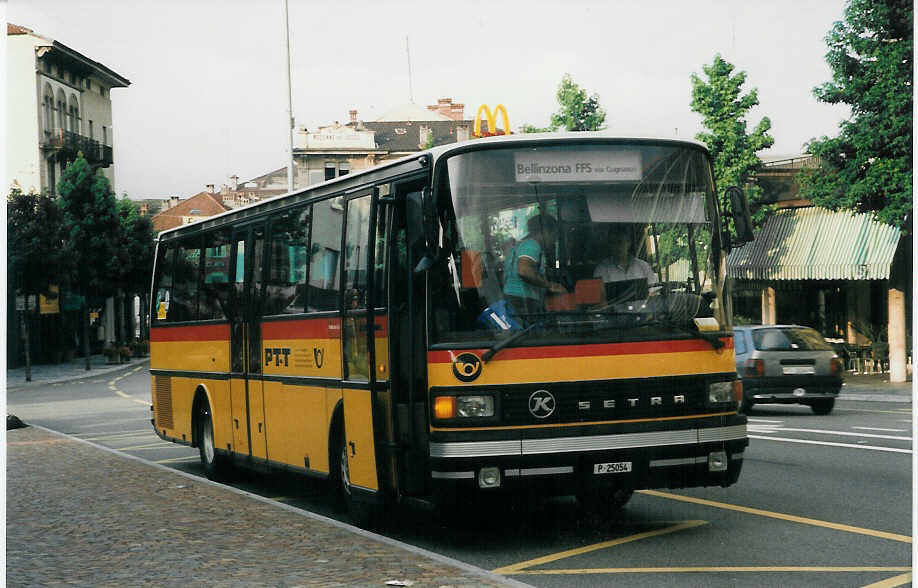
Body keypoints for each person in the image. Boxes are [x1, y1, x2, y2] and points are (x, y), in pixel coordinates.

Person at [502, 212, 567, 315]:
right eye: (554, 235)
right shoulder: (532, 245)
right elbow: (524, 271)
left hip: (513, 297)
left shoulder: (522, 245)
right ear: (545, 231)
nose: (554, 240)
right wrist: (549, 285)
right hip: (523, 300)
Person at [593, 225, 658, 286]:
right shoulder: (601, 270)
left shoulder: (643, 267)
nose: (616, 246)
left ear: (629, 243)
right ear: (609, 246)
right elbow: (599, 296)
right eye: (613, 243)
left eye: (620, 242)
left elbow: (653, 291)